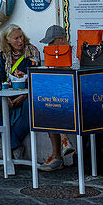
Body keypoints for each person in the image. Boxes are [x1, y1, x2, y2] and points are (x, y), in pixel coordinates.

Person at [0, 23, 40, 157]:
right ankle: (15, 145)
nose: (20, 41)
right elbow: (1, 76)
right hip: (8, 91)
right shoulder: (3, 55)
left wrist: (24, 94)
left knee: (29, 108)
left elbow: (36, 77)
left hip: (27, 92)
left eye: (21, 37)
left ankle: (13, 144)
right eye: (16, 38)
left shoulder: (32, 51)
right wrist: (5, 96)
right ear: (7, 40)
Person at [37, 24, 74, 171]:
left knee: (53, 109)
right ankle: (63, 144)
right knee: (49, 108)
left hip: (74, 98)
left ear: (60, 40)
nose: (49, 45)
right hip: (60, 100)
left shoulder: (73, 53)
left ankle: (58, 155)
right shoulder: (51, 56)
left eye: (51, 42)